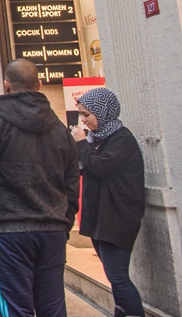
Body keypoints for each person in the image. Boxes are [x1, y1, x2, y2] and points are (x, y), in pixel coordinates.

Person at [0, 58, 79, 317]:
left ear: (6, 85)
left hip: (9, 229)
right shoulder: (60, 129)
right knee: (53, 306)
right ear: (39, 84)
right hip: (52, 229)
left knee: (12, 307)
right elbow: (71, 180)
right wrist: (65, 220)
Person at [72, 88, 146, 317]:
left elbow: (101, 167)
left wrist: (82, 144)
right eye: (81, 115)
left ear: (103, 113)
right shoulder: (99, 139)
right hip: (101, 219)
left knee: (119, 278)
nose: (83, 120)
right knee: (114, 279)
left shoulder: (121, 139)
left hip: (117, 218)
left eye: (87, 115)